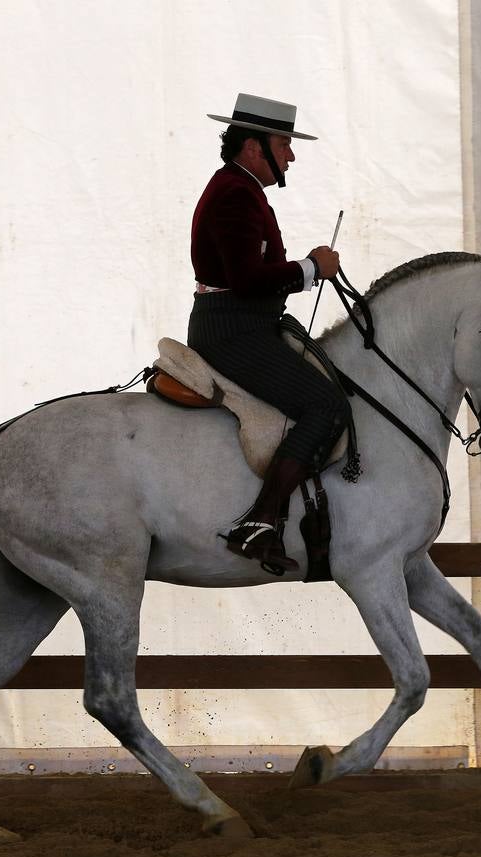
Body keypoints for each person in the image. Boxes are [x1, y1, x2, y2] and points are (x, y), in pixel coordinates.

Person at [188, 93, 349, 574]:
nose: (291, 155)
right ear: (254, 146)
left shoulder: (240, 189)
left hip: (248, 323)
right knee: (326, 406)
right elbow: (245, 278)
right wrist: (310, 268)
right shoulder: (236, 194)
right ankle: (260, 519)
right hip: (232, 331)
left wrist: (305, 269)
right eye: (285, 144)